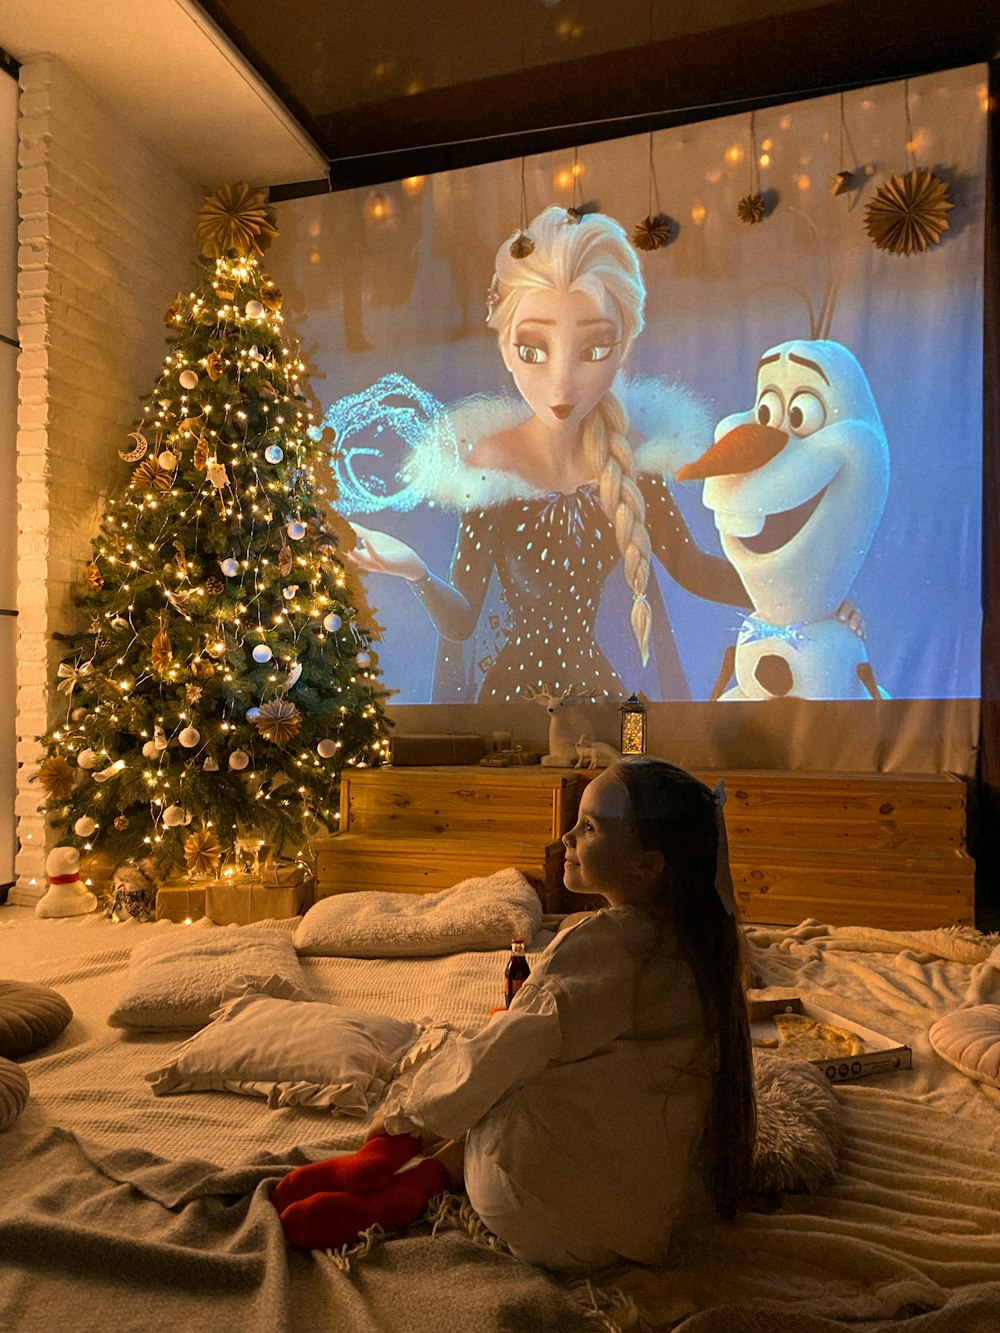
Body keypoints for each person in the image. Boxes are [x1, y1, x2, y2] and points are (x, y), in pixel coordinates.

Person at [272, 757, 756, 1271]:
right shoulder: (708, 953)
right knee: (567, 1069)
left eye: (588, 827)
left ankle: (409, 1170)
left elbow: (503, 1054)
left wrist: (405, 1118)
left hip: (543, 1210)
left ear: (648, 865)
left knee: (500, 1071)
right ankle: (411, 1175)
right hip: (645, 1220)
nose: (566, 836)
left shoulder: (602, 945)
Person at [345, 206, 747, 702]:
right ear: (507, 350)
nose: (561, 383)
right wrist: (415, 572)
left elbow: (694, 568)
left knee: (624, 766)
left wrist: (795, 596)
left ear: (623, 349)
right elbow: (463, 622)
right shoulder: (492, 467)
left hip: (601, 698)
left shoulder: (630, 466)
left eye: (594, 349)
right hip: (512, 705)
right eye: (534, 349)